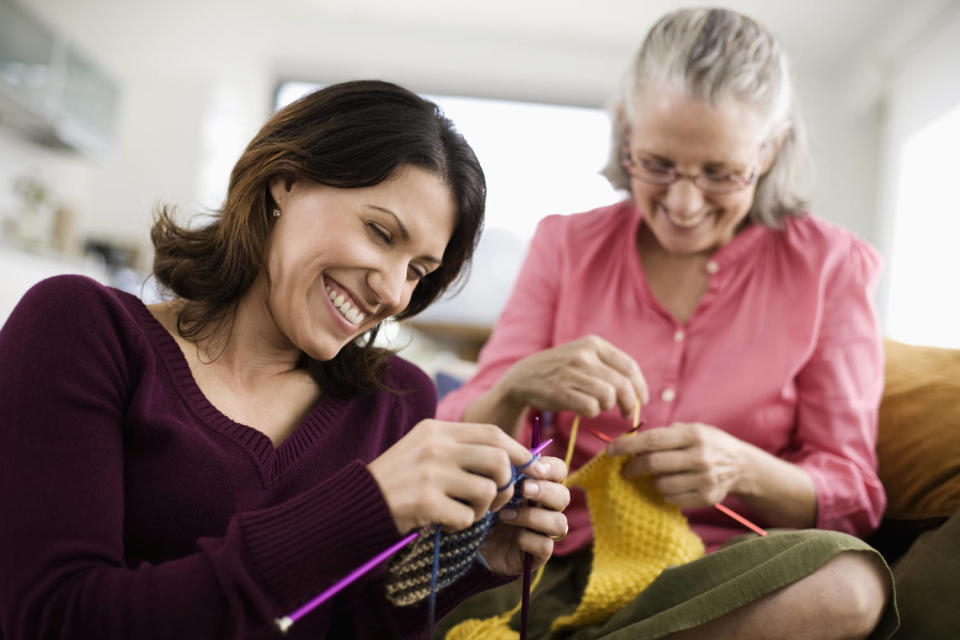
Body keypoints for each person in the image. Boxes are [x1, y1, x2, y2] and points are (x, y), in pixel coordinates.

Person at [0, 80, 570, 639]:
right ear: (286, 181)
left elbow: (345, 622)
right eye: (380, 232)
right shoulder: (81, 329)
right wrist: (365, 505)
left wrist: (467, 564)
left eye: (419, 270)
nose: (395, 292)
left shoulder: (395, 402)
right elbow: (54, 617)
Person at [436, 8, 897, 640]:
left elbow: (854, 494)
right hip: (547, 559)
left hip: (724, 581)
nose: (682, 203)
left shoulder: (830, 268)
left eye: (719, 173)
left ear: (770, 150)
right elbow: (455, 439)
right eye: (657, 163)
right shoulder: (566, 245)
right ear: (626, 133)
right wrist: (517, 386)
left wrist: (744, 470)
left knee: (852, 585)